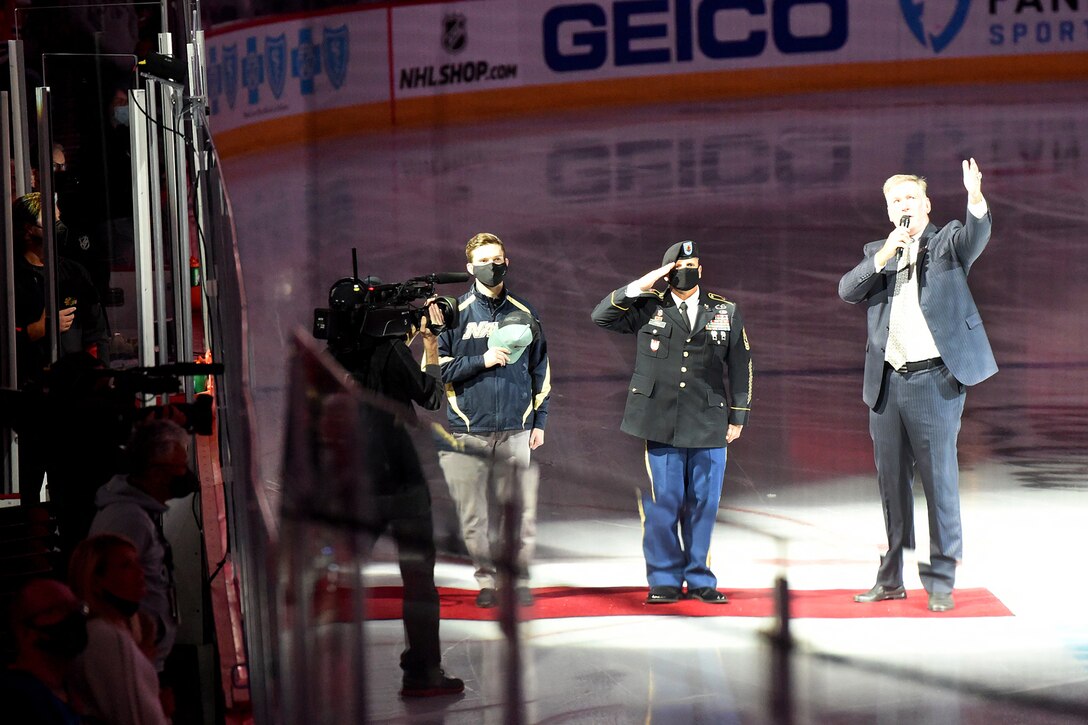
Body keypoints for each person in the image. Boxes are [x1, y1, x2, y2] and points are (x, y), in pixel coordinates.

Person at [838, 159, 995, 613]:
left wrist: (976, 200)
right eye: (896, 201)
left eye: (911, 197)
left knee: (939, 482)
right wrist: (885, 254)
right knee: (892, 488)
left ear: (926, 205)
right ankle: (890, 579)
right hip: (887, 386)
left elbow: (976, 235)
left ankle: (941, 580)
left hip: (935, 383)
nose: (904, 204)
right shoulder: (880, 252)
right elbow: (848, 290)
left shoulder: (947, 242)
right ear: (889, 213)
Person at [592, 240, 753, 605]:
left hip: (708, 419)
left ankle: (700, 578)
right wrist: (641, 285)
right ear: (666, 272)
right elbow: (601, 316)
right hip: (659, 419)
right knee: (664, 503)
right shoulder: (649, 306)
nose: (688, 270)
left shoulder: (724, 309)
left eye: (695, 264)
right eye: (680, 265)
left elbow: (741, 364)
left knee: (704, 504)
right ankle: (664, 579)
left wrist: (739, 414)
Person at [327, 295, 464, 698]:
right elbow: (431, 396)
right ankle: (424, 671)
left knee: (340, 574)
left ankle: (326, 674)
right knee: (419, 577)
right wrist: (430, 344)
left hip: (353, 479)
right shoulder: (388, 351)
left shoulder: (330, 356)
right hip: (398, 478)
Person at [437, 232, 551, 609]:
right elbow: (438, 369)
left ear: (507, 261)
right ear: (470, 268)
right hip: (469, 428)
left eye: (497, 258)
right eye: (484, 260)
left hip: (517, 428)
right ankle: (486, 581)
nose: (492, 265)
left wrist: (539, 421)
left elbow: (541, 369)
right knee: (475, 516)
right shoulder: (453, 312)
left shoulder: (524, 310)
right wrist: (481, 361)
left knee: (519, 513)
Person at [88, 419, 196, 672]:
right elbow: (106, 592)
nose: (186, 474)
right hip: (135, 662)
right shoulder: (128, 519)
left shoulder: (134, 513)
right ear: (156, 472)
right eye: (180, 467)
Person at [67, 533, 169, 725]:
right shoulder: (103, 634)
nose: (140, 572)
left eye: (138, 563)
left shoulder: (118, 630)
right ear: (97, 581)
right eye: (126, 565)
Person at [0, 578, 87, 725]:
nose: (73, 617)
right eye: (57, 609)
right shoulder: (18, 698)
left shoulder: (68, 690)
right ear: (25, 631)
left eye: (76, 607)